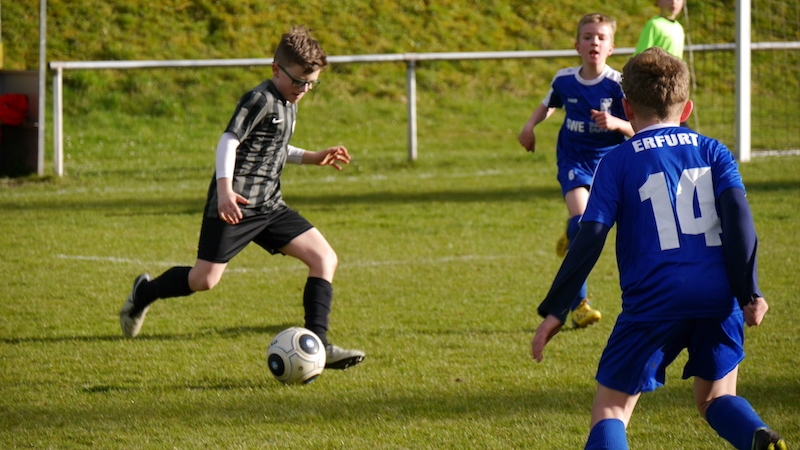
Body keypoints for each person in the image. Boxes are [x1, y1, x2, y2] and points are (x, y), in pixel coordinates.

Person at [531, 47, 787, 450]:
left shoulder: (616, 162)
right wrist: (749, 291)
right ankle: (757, 437)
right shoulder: (714, 151)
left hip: (653, 300)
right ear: (687, 109)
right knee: (716, 398)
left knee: (612, 409)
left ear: (626, 107)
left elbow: (590, 235)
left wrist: (558, 308)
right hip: (717, 298)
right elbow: (740, 220)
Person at [119, 26, 365, 371]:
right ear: (276, 69)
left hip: (270, 205)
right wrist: (224, 190)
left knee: (324, 258)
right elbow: (229, 141)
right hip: (235, 205)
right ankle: (143, 293)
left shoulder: (289, 101)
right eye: (299, 81)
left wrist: (312, 157)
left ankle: (319, 345)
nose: (304, 89)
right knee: (204, 280)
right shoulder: (259, 98)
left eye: (311, 84)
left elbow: (274, 147)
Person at [517, 13, 634, 329]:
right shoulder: (564, 79)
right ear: (577, 45)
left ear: (611, 47)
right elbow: (549, 104)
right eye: (587, 37)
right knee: (583, 224)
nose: (594, 42)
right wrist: (529, 126)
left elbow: (637, 127)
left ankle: (571, 235)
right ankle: (579, 305)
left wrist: (617, 123)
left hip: (609, 165)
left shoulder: (619, 85)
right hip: (574, 161)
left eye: (601, 37)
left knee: (591, 229)